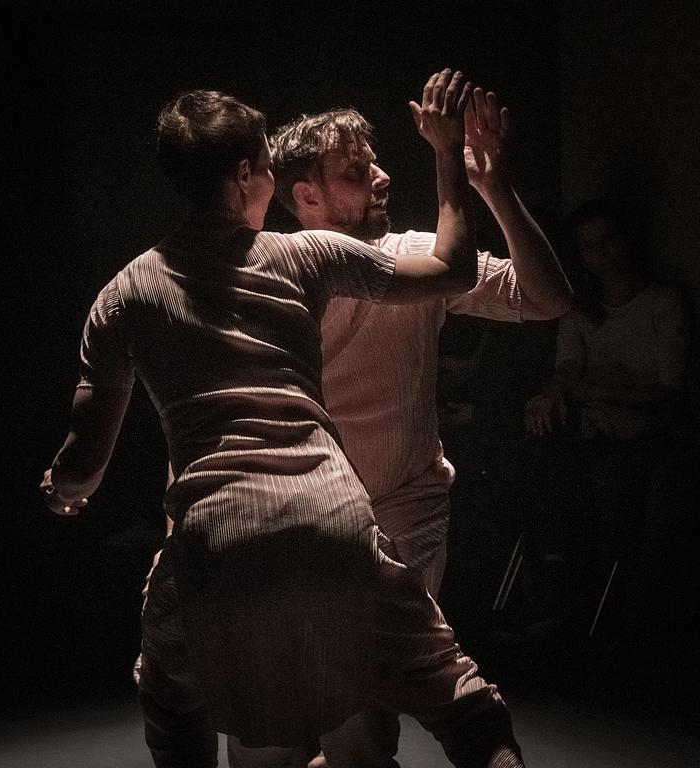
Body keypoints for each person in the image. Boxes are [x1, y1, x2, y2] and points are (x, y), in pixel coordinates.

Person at [40, 71, 526, 767]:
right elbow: (451, 269)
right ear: (245, 175)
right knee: (463, 705)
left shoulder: (122, 295)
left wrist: (61, 491)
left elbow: (83, 464)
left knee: (173, 704)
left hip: (215, 535)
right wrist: (449, 155)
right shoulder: (305, 255)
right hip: (334, 517)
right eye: (268, 166)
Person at [223, 88, 571, 768]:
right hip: (299, 519)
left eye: (375, 161)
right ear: (307, 196)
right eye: (357, 171)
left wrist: (492, 186)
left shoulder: (417, 254)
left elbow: (546, 297)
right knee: (272, 731)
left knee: (362, 720)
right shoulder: (278, 268)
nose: (382, 176)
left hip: (403, 511)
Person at [521, 197, 690, 647]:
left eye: (608, 240)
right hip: (591, 427)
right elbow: (568, 370)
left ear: (626, 239)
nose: (602, 254)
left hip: (644, 432)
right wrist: (555, 394)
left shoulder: (663, 303)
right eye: (589, 246)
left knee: (606, 477)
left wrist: (592, 391)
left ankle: (596, 611)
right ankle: (551, 584)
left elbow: (667, 390)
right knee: (540, 451)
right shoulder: (580, 309)